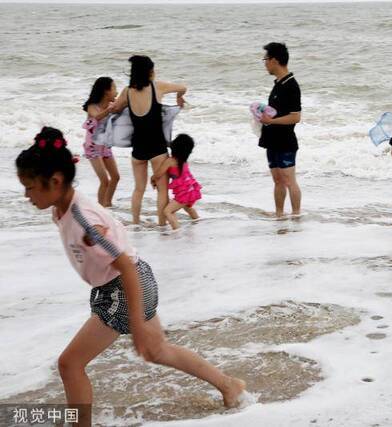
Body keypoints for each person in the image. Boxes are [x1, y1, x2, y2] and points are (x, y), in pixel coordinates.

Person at [16, 127, 245, 426]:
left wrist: (136, 323)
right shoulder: (63, 208)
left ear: (55, 181)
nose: (26, 195)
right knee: (157, 350)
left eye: (30, 187)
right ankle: (229, 385)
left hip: (123, 288)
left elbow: (122, 264)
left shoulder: (84, 219)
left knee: (70, 364)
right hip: (133, 280)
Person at [111, 55, 187, 226]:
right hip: (157, 148)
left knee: (138, 189)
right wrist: (179, 97)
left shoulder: (127, 91)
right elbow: (183, 87)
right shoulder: (157, 87)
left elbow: (116, 109)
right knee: (162, 190)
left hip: (138, 148)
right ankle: (161, 226)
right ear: (150, 71)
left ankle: (135, 224)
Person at [258, 42, 302, 217]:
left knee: (289, 181)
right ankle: (279, 214)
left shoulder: (291, 85)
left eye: (266, 59)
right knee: (277, 180)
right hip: (272, 139)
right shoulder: (278, 83)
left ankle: (297, 215)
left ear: (274, 60)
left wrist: (272, 120)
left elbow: (295, 116)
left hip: (285, 140)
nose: (265, 63)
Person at [82, 77, 120, 207]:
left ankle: (107, 204)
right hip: (92, 147)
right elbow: (96, 117)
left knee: (115, 177)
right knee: (104, 181)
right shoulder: (92, 106)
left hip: (105, 146)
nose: (116, 92)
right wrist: (109, 110)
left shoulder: (112, 106)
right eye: (114, 88)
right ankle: (100, 208)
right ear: (106, 91)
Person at [150, 134, 202, 230]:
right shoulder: (183, 160)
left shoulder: (170, 161)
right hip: (191, 189)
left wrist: (152, 179)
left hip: (183, 194)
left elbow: (159, 174)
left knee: (168, 212)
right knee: (188, 208)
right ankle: (197, 221)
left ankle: (177, 231)